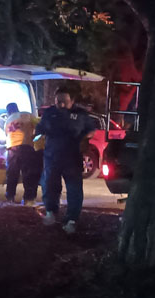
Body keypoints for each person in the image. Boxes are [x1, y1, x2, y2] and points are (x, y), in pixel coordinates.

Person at [35, 87, 98, 234]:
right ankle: (51, 212)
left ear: (73, 101)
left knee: (74, 189)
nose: (61, 105)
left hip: (72, 157)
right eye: (58, 102)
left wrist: (85, 138)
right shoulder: (50, 113)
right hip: (52, 156)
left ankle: (72, 219)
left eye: (65, 102)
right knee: (50, 185)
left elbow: (91, 130)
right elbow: (40, 129)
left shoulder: (81, 114)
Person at [3, 102, 43, 206]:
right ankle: (28, 199)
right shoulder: (27, 115)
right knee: (28, 174)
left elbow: (7, 134)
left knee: (12, 174)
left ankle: (10, 198)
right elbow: (39, 126)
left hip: (12, 148)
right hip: (26, 146)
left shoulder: (7, 120)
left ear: (8, 112)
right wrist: (33, 136)